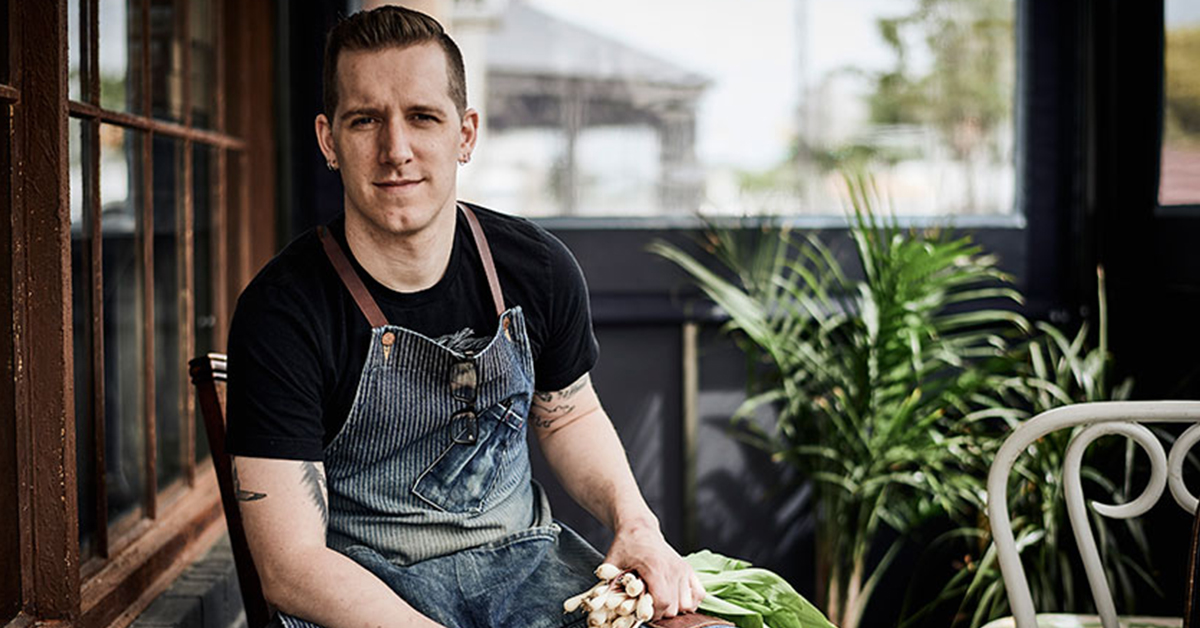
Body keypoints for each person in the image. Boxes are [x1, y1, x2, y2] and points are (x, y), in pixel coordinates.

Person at [225, 6, 717, 628]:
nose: (395, 149)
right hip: (364, 593)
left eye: (423, 117)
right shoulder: (282, 312)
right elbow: (291, 566)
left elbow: (570, 414)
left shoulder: (535, 268)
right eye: (365, 120)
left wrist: (637, 523)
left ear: (465, 135)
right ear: (329, 140)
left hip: (531, 573)